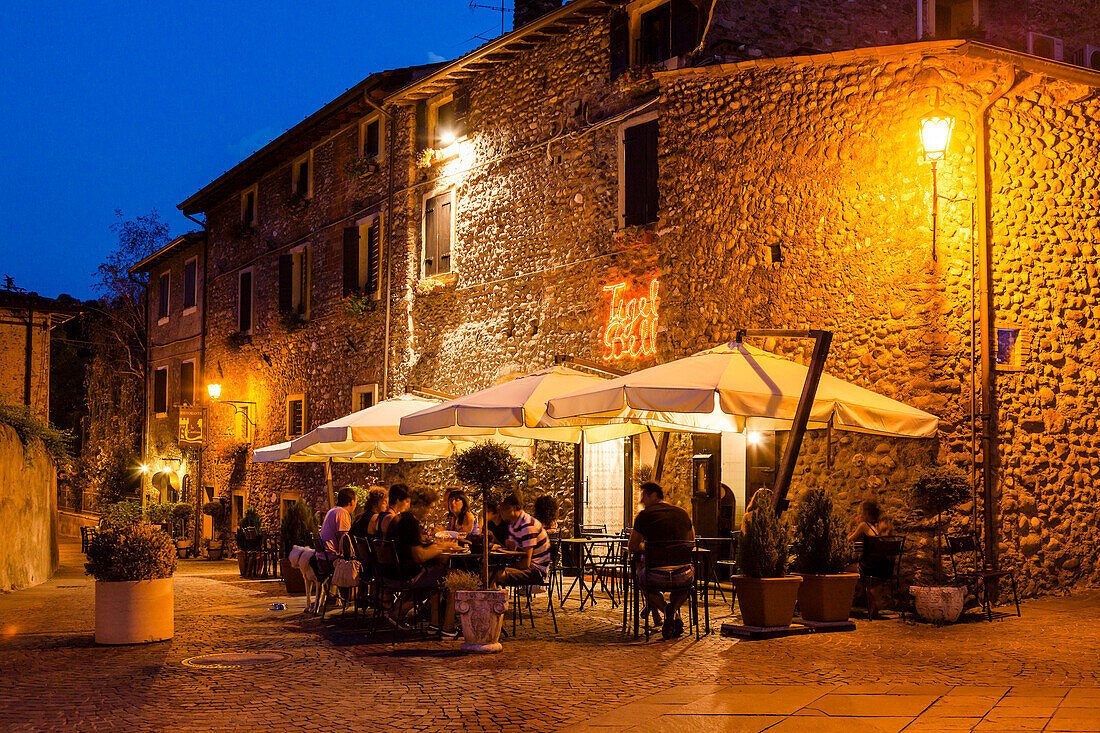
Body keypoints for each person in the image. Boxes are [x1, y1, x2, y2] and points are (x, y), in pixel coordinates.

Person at [386, 486, 461, 629]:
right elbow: (419, 556)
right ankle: (447, 627)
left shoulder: (402, 518)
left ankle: (434, 624)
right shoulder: (410, 522)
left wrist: (438, 547)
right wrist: (443, 547)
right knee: (452, 577)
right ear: (421, 506)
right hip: (406, 574)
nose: (430, 512)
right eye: (430, 508)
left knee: (435, 573)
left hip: (394, 571)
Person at [629, 481, 695, 639]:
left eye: (643, 496)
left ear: (653, 495)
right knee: (686, 585)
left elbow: (632, 546)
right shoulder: (682, 513)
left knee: (642, 580)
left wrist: (647, 547)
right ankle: (674, 613)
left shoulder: (643, 516)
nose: (641, 501)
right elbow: (691, 542)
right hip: (682, 573)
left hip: (655, 574)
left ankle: (666, 610)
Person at [492, 492, 552, 588]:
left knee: (493, 575)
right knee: (488, 571)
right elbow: (513, 551)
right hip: (526, 566)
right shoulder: (513, 524)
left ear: (516, 507)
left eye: (505, 507)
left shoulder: (528, 526)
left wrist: (509, 565)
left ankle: (494, 601)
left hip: (536, 571)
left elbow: (525, 563)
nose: (501, 511)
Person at [320, 487, 357, 556]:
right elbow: (345, 540)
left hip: (323, 556)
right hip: (332, 557)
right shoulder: (342, 513)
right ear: (352, 502)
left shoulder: (333, 510)